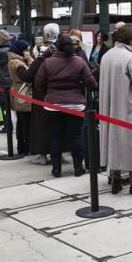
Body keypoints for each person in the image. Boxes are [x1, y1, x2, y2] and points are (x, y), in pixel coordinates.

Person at [34, 35, 97, 178]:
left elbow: (38, 83)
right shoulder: (79, 62)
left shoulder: (48, 63)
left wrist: (48, 95)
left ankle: (56, 169)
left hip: (52, 105)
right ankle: (78, 168)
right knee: (76, 137)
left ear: (56, 46)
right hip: (76, 105)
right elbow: (92, 84)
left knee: (55, 137)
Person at [99, 25, 132, 195]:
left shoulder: (107, 56)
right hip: (128, 107)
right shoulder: (130, 57)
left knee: (114, 140)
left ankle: (115, 179)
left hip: (109, 107)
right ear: (128, 39)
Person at [20, 23, 59, 165]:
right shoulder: (65, 52)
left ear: (46, 35)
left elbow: (29, 76)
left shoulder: (43, 56)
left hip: (42, 97)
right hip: (60, 96)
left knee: (42, 126)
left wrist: (29, 62)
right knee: (59, 126)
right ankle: (60, 154)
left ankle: (43, 155)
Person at [7, 39, 34, 156]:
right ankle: (25, 147)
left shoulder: (17, 61)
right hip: (23, 95)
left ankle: (23, 146)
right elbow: (28, 76)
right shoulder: (16, 63)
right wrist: (31, 61)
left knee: (22, 122)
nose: (28, 52)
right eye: (26, 50)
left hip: (20, 94)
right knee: (25, 123)